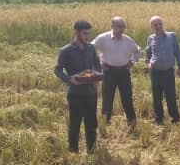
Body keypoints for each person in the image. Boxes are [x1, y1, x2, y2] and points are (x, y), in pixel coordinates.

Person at [54, 19, 102, 153]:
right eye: (85, 33)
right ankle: (73, 152)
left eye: (89, 34)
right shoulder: (66, 50)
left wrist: (97, 76)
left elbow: (97, 64)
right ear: (76, 32)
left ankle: (91, 151)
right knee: (75, 124)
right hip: (75, 94)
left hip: (91, 93)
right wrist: (69, 79)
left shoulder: (91, 48)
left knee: (91, 124)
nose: (88, 37)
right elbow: (57, 70)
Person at [92, 16, 140, 127]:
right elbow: (90, 49)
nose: (122, 29)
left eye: (124, 26)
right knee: (107, 98)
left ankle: (132, 122)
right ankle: (105, 122)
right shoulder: (103, 38)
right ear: (112, 26)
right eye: (120, 26)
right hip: (109, 71)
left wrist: (133, 61)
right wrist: (99, 64)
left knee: (127, 97)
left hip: (124, 72)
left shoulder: (127, 39)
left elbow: (137, 50)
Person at [144, 15, 180, 124]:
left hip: (168, 71)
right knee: (156, 97)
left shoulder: (172, 36)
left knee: (170, 95)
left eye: (160, 24)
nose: (158, 26)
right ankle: (159, 118)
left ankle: (175, 118)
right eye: (155, 25)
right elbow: (147, 53)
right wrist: (148, 64)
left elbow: (178, 52)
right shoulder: (150, 38)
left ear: (163, 24)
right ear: (152, 26)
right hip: (155, 71)